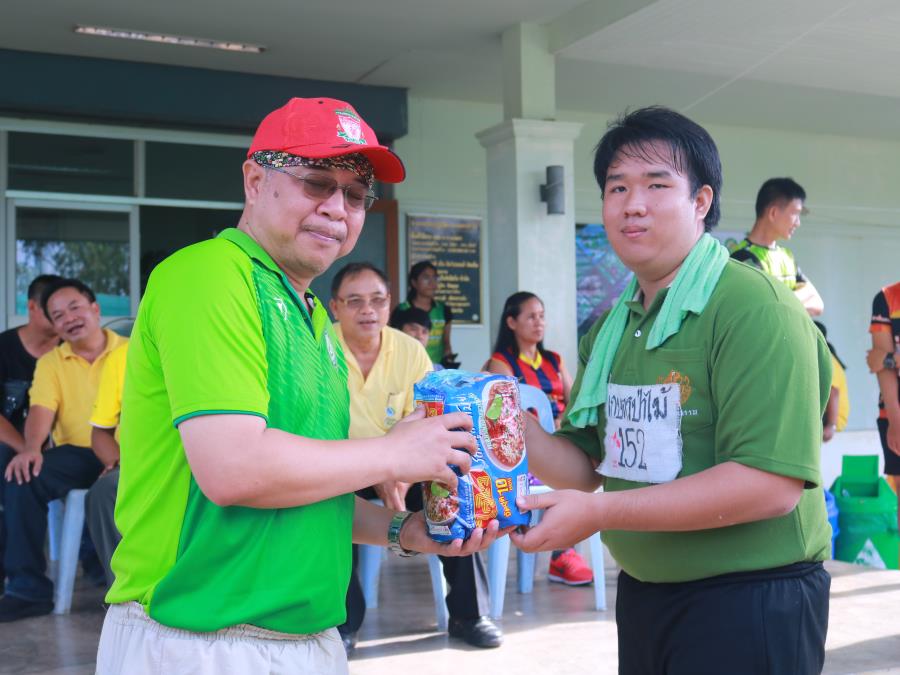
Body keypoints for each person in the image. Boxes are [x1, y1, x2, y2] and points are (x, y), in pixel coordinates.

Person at [95, 97, 504, 675]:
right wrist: (393, 452)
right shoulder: (208, 274)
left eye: (356, 195)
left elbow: (307, 490)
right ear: (254, 181)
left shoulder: (315, 322)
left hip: (308, 638)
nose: (337, 208)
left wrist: (405, 530)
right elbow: (234, 469)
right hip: (199, 638)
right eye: (316, 183)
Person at [511, 106, 832, 674]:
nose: (632, 204)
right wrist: (510, 424)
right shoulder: (614, 328)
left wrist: (598, 512)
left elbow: (768, 485)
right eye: (617, 187)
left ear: (701, 201)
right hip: (646, 594)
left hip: (749, 600)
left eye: (657, 185)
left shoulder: (754, 307)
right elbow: (586, 464)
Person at [331, 262, 500, 653]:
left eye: (377, 300)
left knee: (454, 488)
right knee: (329, 503)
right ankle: (342, 622)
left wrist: (400, 474)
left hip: (406, 467)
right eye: (354, 301)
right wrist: (377, 465)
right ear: (334, 307)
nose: (367, 310)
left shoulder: (410, 350)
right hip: (343, 465)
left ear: (390, 303)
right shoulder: (318, 349)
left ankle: (470, 614)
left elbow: (428, 422)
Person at [1, 277, 127, 622]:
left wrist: (120, 459)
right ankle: (27, 589)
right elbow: (41, 409)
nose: (69, 318)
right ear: (54, 327)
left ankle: (125, 578)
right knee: (23, 475)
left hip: (131, 450)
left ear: (95, 308)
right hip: (78, 452)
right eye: (58, 315)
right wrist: (31, 448)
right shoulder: (51, 363)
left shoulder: (132, 350)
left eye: (75, 307)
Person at [485, 292, 591, 586]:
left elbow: (576, 402)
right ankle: (563, 554)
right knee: (561, 473)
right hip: (523, 454)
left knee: (580, 467)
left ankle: (564, 554)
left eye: (542, 316)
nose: (539, 322)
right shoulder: (500, 362)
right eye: (531, 316)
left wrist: (562, 421)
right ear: (511, 322)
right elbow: (503, 413)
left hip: (560, 440)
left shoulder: (554, 360)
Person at [0, 274, 62, 586]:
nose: (60, 316)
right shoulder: (5, 348)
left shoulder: (68, 350)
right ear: (33, 307)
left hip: (57, 445)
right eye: (52, 309)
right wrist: (27, 447)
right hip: (13, 441)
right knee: (9, 464)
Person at [731, 177, 824, 316]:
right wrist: (796, 301)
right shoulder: (741, 257)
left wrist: (781, 303)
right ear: (773, 213)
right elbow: (764, 310)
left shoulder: (787, 256)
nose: (798, 223)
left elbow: (817, 304)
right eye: (795, 214)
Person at [85, 342, 129, 589]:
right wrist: (119, 462)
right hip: (140, 464)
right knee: (104, 491)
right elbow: (101, 432)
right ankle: (126, 594)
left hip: (207, 459)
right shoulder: (122, 357)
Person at [868, 282, 900, 529]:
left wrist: (890, 358)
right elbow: (876, 362)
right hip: (894, 414)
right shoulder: (887, 298)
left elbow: (881, 358)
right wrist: (896, 422)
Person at [392, 260, 455, 366]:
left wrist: (448, 359)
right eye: (426, 278)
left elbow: (446, 342)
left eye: (435, 278)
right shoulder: (402, 309)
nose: (432, 283)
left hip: (435, 367)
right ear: (414, 282)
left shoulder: (443, 310)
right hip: (407, 365)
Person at [814, 321, 849, 442]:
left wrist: (831, 425)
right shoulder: (826, 356)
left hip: (831, 420)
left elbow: (833, 392)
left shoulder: (827, 359)